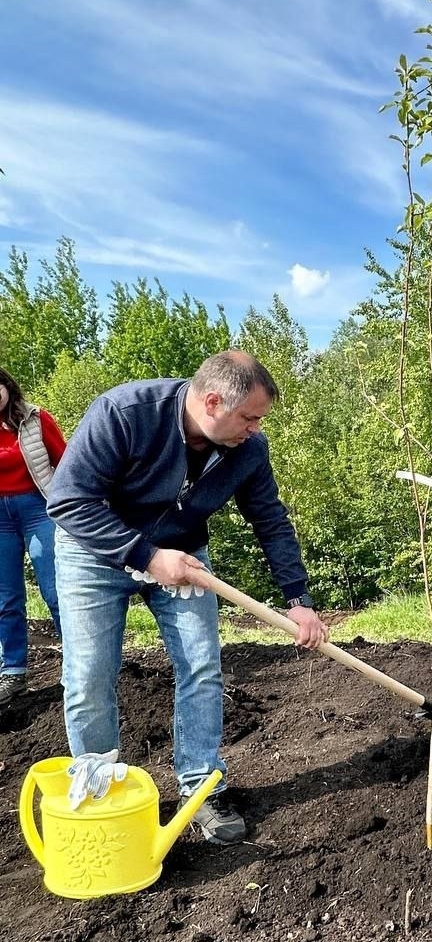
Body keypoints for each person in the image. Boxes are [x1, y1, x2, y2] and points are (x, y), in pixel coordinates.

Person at [46, 351, 329, 845]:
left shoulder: (248, 449)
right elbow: (69, 500)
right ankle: (99, 794)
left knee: (201, 665)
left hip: (182, 553)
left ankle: (201, 788)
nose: (255, 429)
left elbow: (270, 520)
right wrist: (146, 556)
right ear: (213, 402)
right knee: (89, 674)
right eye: (249, 417)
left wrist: (298, 598)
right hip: (94, 553)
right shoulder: (125, 413)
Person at [0, 367, 66, 704]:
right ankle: (13, 672)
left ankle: (79, 665)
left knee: (55, 589)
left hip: (38, 508)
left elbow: (67, 462)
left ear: (6, 386)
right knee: (6, 598)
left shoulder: (35, 419)